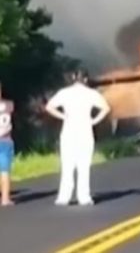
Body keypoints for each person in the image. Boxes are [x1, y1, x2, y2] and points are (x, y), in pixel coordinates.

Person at [45, 71, 111, 206]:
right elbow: (106, 108)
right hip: (85, 132)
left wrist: (63, 116)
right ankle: (84, 197)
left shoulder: (64, 92)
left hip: (68, 132)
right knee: (84, 166)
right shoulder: (91, 94)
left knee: (67, 165)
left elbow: (49, 107)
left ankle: (64, 197)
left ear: (74, 79)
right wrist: (94, 120)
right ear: (86, 79)